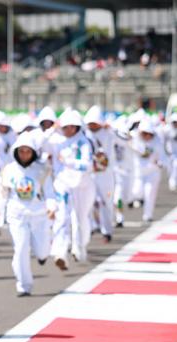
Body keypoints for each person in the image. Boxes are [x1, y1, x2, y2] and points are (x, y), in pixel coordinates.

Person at [0, 132, 55, 296]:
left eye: (28, 151)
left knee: (42, 251)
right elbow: (2, 192)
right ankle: (24, 284)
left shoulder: (42, 169)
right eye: (21, 151)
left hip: (38, 215)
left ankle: (42, 255)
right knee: (20, 249)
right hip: (17, 215)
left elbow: (50, 192)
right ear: (16, 152)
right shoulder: (9, 170)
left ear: (33, 152)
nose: (25, 155)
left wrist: (51, 206)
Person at [47, 110, 95, 269]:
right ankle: (60, 253)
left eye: (71, 127)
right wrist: (52, 128)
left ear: (77, 127)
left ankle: (79, 247)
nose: (68, 130)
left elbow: (87, 165)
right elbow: (38, 141)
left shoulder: (83, 142)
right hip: (62, 184)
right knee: (62, 217)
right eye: (65, 126)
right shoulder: (55, 140)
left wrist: (68, 161)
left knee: (80, 218)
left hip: (82, 185)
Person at [83, 106, 116, 242]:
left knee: (105, 202)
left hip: (105, 175)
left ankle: (107, 231)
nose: (92, 125)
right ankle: (90, 227)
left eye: (95, 122)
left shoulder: (109, 133)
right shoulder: (84, 133)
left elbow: (127, 139)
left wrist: (112, 128)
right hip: (89, 173)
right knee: (87, 202)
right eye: (90, 123)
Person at [131, 119, 166, 222]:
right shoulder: (134, 139)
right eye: (144, 133)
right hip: (139, 172)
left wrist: (160, 163)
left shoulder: (157, 141)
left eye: (148, 133)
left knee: (150, 193)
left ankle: (148, 215)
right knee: (136, 192)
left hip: (152, 173)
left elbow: (163, 157)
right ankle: (137, 201)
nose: (146, 136)